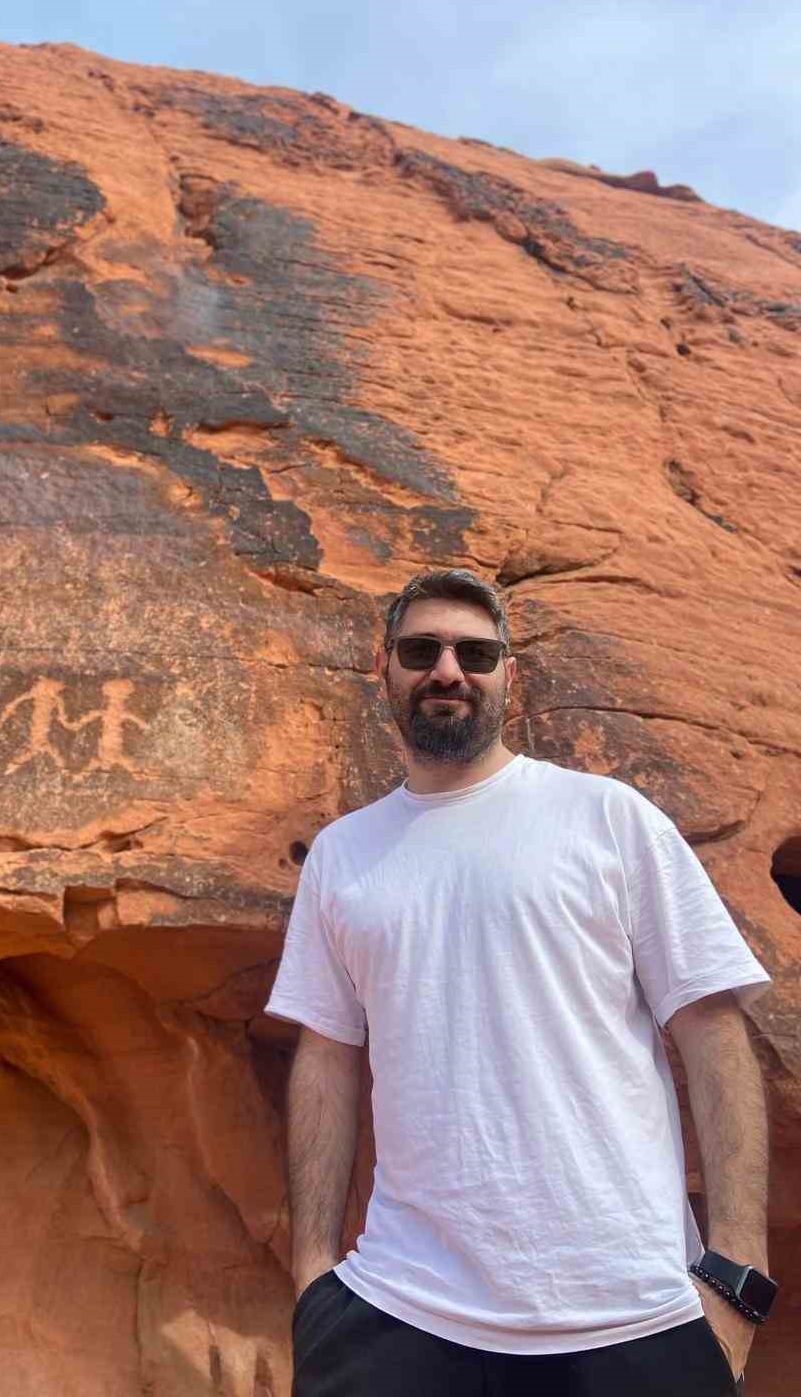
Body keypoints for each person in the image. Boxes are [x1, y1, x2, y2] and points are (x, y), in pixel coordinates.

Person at [266, 567, 776, 1396]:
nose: (448, 670)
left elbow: (713, 1031)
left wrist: (738, 1277)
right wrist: (312, 1279)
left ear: (510, 674)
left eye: (475, 653)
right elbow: (326, 1057)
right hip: (397, 1315)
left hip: (633, 1318)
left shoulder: (609, 818)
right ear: (381, 667)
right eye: (422, 650)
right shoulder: (342, 855)